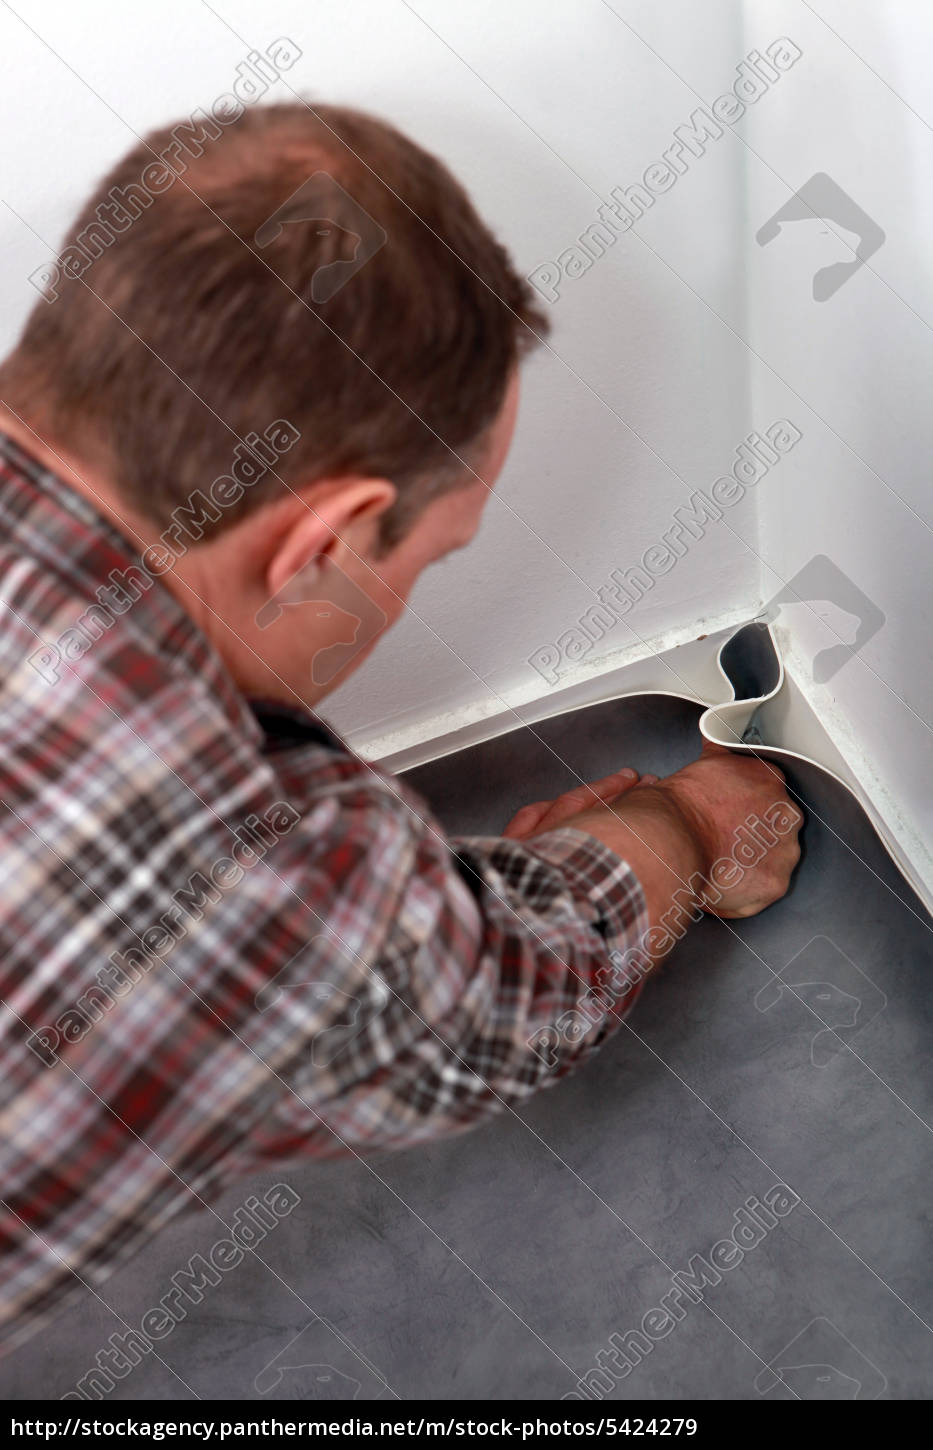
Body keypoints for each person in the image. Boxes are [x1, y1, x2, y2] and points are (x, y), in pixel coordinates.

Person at [0, 102, 801, 1353]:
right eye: (430, 556)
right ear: (322, 540)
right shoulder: (255, 874)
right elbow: (508, 996)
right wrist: (685, 824)